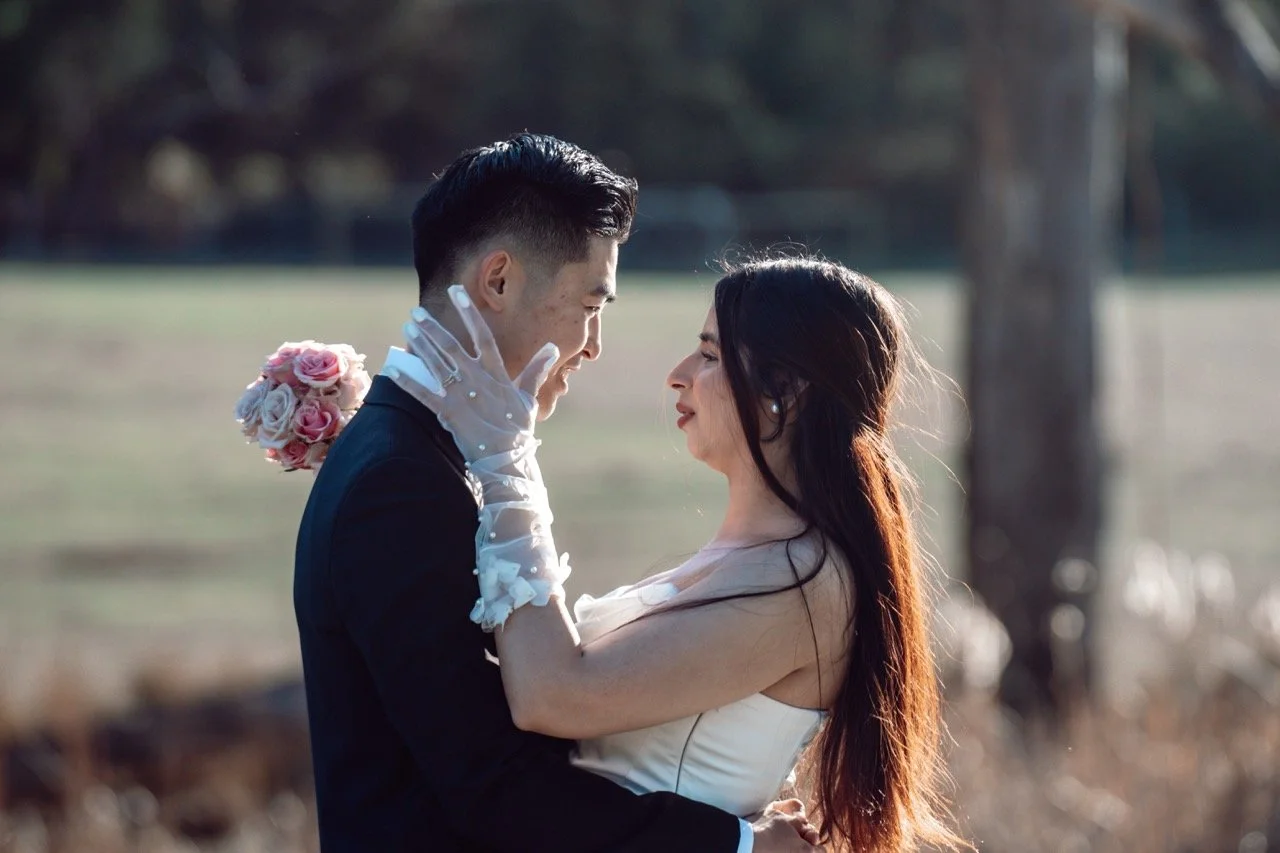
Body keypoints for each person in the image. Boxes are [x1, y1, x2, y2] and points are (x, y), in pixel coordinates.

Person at [292, 133, 819, 852]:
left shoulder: (419, 451)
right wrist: (740, 845)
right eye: (589, 302)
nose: (594, 343)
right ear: (499, 282)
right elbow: (496, 788)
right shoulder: (399, 482)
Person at [389, 257, 969, 853]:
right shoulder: (755, 559)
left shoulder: (805, 583)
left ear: (787, 391)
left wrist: (507, 461)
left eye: (711, 356)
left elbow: (553, 694)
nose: (678, 374)